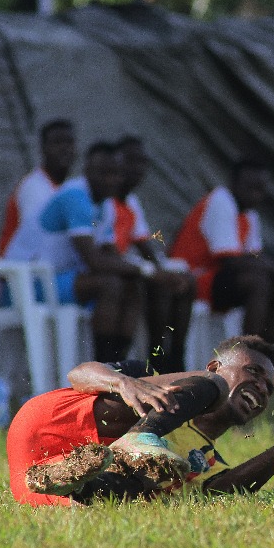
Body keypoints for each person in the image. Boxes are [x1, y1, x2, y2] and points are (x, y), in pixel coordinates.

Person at [7, 334, 274, 506]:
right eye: (253, 372)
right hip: (51, 423)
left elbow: (224, 490)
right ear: (216, 365)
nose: (260, 386)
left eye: (268, 388)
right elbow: (79, 373)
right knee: (207, 391)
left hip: (41, 484)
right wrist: (123, 383)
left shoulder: (203, 457)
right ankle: (138, 439)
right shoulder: (157, 382)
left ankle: (85, 482)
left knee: (160, 488)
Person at [5, 140, 144, 363]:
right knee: (110, 284)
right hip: (26, 284)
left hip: (58, 280)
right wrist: (146, 270)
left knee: (130, 285)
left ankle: (120, 367)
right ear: (88, 171)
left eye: (116, 174)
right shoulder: (75, 196)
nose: (111, 180)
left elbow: (109, 254)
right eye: (104, 173)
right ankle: (104, 368)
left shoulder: (106, 205)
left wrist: (139, 272)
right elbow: (94, 262)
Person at [170, 160, 274, 345]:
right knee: (258, 283)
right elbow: (231, 260)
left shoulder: (250, 215)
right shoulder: (221, 201)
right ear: (234, 183)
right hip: (191, 278)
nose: (256, 195)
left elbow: (253, 257)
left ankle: (269, 357)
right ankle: (249, 353)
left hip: (217, 279)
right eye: (250, 188)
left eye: (260, 189)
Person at [97, 135, 196, 374]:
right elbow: (106, 251)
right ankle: (156, 357)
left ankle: (176, 357)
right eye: (131, 161)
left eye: (142, 162)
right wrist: (155, 274)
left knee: (184, 281)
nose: (137, 168)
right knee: (158, 285)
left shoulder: (131, 201)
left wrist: (164, 273)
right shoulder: (103, 201)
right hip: (109, 273)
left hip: (126, 269)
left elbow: (144, 246)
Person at [0, 118, 76, 257]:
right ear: (43, 148)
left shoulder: (67, 188)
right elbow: (38, 239)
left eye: (69, 142)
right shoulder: (34, 187)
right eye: (57, 142)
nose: (65, 149)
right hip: (17, 271)